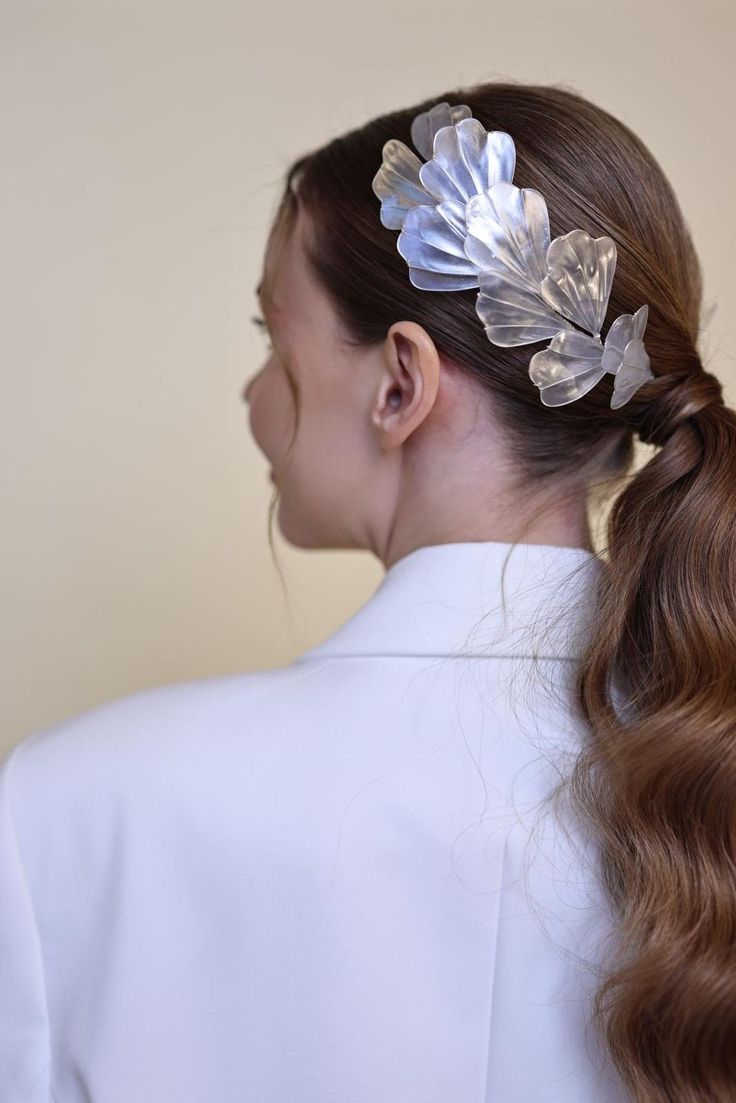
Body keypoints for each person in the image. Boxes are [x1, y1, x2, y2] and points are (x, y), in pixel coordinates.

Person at [1, 82, 734, 1103]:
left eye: (273, 335)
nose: (253, 394)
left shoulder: (64, 811)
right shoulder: (705, 769)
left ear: (400, 383)